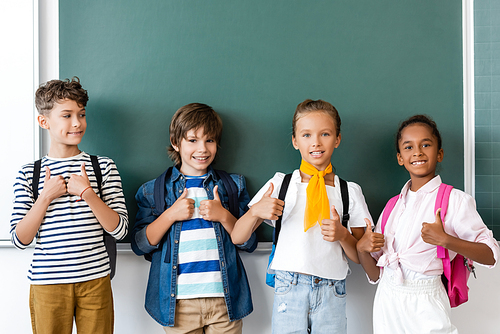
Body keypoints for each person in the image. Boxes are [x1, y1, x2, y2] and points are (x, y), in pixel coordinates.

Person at [231, 99, 372, 334]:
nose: (315, 142)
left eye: (325, 134)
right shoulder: (280, 185)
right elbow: (237, 236)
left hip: (332, 289)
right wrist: (256, 211)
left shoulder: (349, 191)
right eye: (306, 135)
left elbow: (360, 255)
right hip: (289, 287)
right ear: (295, 141)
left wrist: (342, 235)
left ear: (337, 139)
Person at [357, 114, 499, 333]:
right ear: (399, 158)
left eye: (426, 144)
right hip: (387, 301)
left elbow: (490, 254)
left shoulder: (454, 201)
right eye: (408, 147)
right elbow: (376, 275)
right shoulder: (392, 207)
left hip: (426, 300)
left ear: (439, 153)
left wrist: (446, 240)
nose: (417, 152)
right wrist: (362, 249)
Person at [10, 77, 128, 334]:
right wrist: (45, 197)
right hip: (47, 284)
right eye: (67, 115)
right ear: (44, 121)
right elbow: (20, 239)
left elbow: (119, 230)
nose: (77, 122)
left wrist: (87, 192)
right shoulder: (29, 174)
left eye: (81, 114)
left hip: (95, 281)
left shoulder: (103, 167)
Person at [131, 103, 257, 334]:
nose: (202, 148)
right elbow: (140, 245)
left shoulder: (233, 186)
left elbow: (248, 242)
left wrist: (224, 216)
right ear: (175, 143)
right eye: (192, 140)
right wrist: (170, 215)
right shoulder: (153, 190)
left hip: (224, 301)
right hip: (178, 304)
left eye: (209, 140)